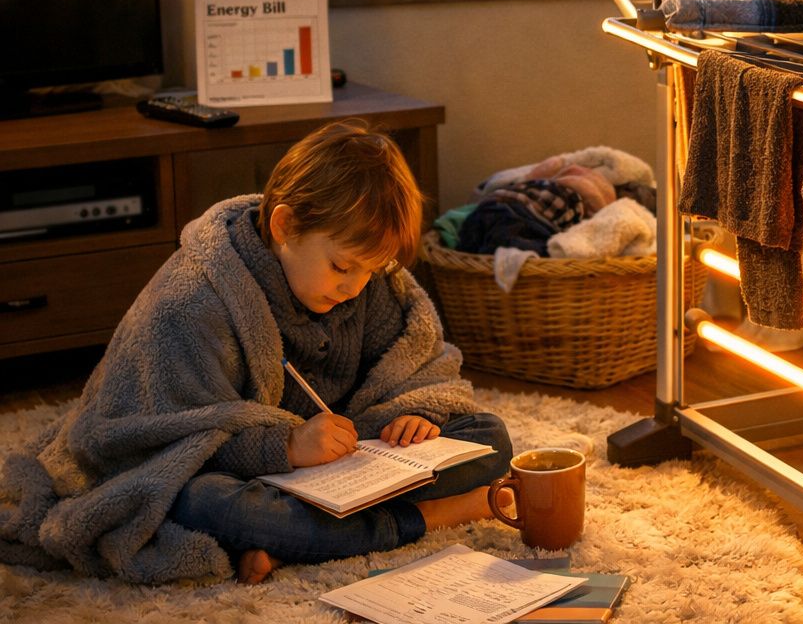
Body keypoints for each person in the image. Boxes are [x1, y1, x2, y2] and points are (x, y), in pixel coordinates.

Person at [0, 122, 514, 585]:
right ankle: (435, 515)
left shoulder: (366, 281)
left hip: (345, 459)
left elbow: (414, 361)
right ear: (285, 226)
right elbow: (168, 440)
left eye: (370, 272)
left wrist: (415, 414)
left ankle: (296, 542)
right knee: (201, 502)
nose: (356, 288)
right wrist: (286, 448)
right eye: (341, 268)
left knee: (489, 437)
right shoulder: (191, 301)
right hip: (240, 467)